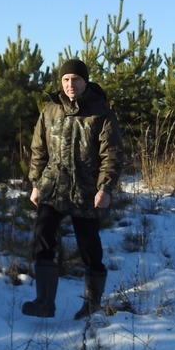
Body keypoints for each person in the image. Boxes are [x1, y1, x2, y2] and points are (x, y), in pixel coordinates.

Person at [23, 58, 123, 319]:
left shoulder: (101, 113)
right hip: (53, 187)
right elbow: (38, 149)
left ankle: (92, 304)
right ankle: (44, 302)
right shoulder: (49, 110)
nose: (70, 84)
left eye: (76, 79)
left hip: (86, 190)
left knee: (89, 247)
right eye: (66, 79)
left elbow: (111, 155)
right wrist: (36, 183)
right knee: (43, 237)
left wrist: (105, 188)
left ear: (85, 81)